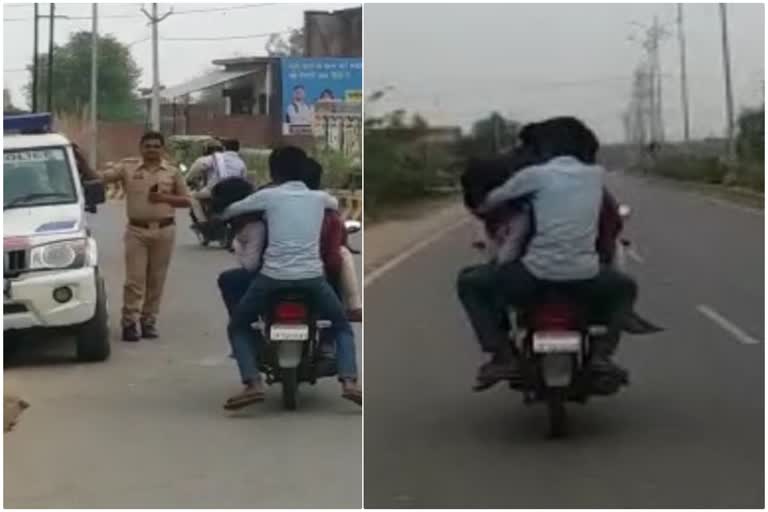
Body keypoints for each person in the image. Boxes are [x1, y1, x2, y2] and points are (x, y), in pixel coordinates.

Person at [457, 117, 637, 383]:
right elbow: (610, 228)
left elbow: (491, 203)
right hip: (586, 276)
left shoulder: (532, 176)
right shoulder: (596, 177)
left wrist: (484, 207)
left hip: (533, 275)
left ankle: (501, 355)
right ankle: (602, 355)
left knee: (470, 282)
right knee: (626, 287)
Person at [219, 146, 361, 410]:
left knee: (237, 325)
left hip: (272, 277)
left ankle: (252, 383)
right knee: (341, 326)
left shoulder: (268, 196)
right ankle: (350, 382)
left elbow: (230, 211)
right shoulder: (322, 199)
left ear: (274, 172)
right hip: (313, 278)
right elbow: (334, 207)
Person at [99, 131, 191, 341]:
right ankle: (129, 322)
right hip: (137, 231)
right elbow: (100, 178)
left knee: (156, 279)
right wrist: (80, 162)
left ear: (162, 149)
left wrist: (164, 198)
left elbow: (187, 200)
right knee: (135, 280)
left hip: (164, 230)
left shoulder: (172, 172)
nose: (152, 149)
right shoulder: (128, 168)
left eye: (156, 146)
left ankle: (149, 321)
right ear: (141, 148)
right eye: (148, 146)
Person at [187, 138, 247, 223]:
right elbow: (243, 180)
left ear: (224, 148)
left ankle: (203, 222)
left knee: (192, 196)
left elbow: (198, 165)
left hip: (215, 191)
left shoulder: (215, 158)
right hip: (235, 194)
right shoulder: (241, 163)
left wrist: (188, 178)